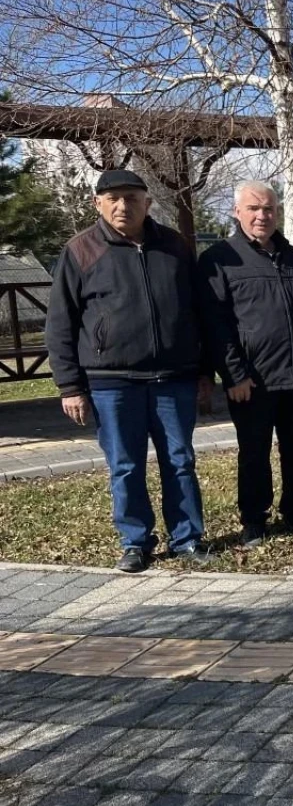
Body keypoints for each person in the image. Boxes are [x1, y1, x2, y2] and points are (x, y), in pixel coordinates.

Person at [45, 169, 211, 572]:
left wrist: (205, 372)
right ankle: (136, 542)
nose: (124, 206)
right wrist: (70, 386)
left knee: (180, 460)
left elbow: (199, 312)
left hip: (174, 378)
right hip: (112, 383)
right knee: (125, 464)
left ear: (147, 202)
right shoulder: (80, 250)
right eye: (114, 198)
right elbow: (60, 322)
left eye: (132, 197)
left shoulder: (173, 246)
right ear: (97, 203)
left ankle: (188, 537)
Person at [198, 181, 293, 547]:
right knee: (254, 452)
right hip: (252, 380)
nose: (263, 215)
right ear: (237, 211)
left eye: (270, 209)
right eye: (254, 209)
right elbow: (216, 326)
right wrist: (234, 374)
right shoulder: (219, 260)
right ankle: (254, 520)